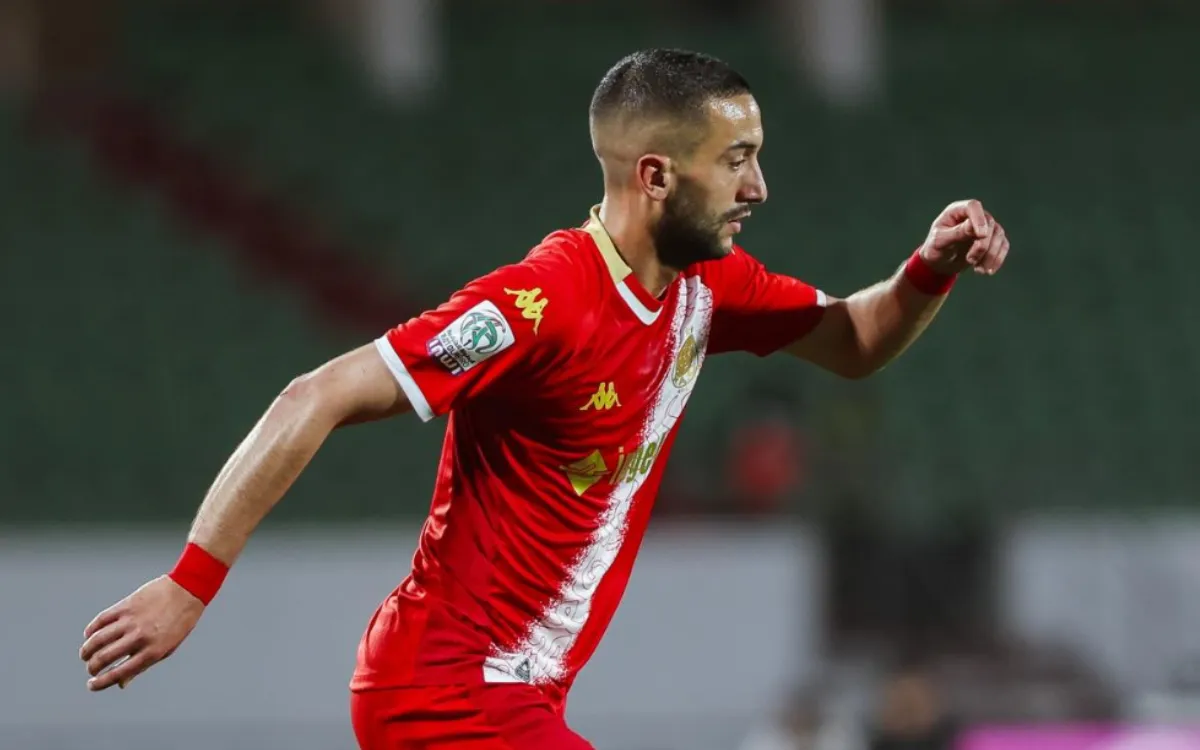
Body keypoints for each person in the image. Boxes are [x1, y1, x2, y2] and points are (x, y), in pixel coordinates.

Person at [78, 48, 1010, 749]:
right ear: (656, 174)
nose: (758, 187)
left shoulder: (706, 288)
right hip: (445, 689)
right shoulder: (540, 303)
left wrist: (928, 268)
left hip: (517, 694)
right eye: (737, 160)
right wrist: (190, 585)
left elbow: (854, 340)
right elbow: (312, 395)